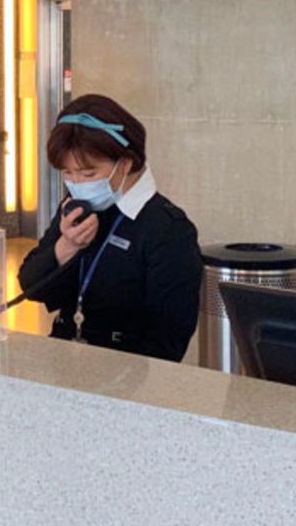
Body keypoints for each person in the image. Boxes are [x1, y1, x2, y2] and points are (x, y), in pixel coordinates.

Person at [17, 94, 202, 361]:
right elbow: (31, 286)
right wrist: (65, 247)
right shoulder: (75, 209)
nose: (77, 182)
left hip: (125, 374)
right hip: (64, 359)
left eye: (88, 173)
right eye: (67, 173)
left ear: (124, 164)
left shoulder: (167, 228)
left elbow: (168, 339)